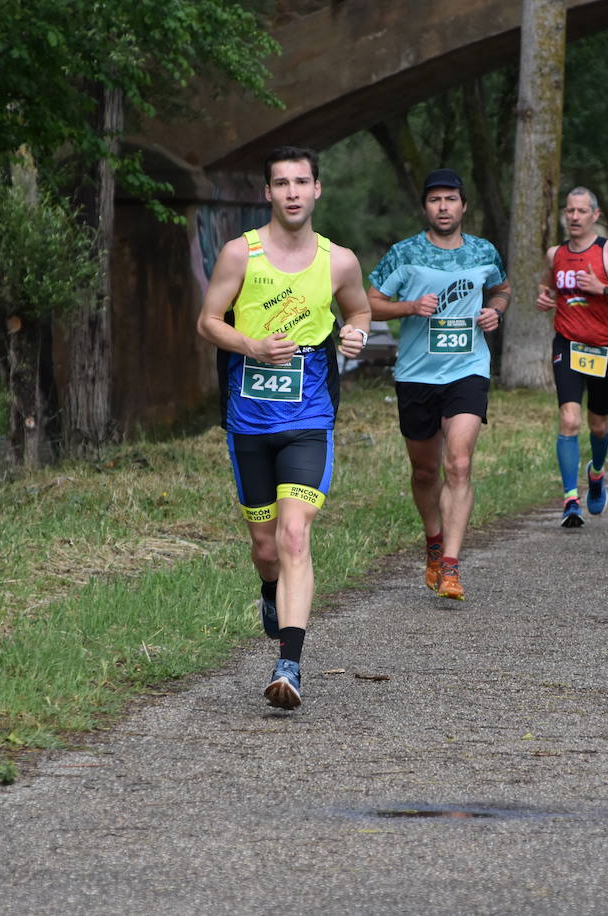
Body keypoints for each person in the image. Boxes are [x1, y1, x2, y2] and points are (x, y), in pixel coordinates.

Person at [197, 146, 371, 710]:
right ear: (267, 193)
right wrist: (251, 344)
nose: (292, 192)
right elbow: (207, 321)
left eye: (302, 182)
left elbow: (360, 310)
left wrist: (356, 335)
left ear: (318, 190)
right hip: (247, 422)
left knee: (296, 534)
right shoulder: (238, 255)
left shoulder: (339, 261)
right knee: (265, 546)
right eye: (281, 183)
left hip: (308, 420)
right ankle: (269, 588)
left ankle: (289, 665)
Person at [368, 168, 510, 600]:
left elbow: (501, 289)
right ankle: (433, 541)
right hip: (415, 374)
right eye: (435, 200)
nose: (443, 207)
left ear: (464, 206)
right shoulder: (403, 253)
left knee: (459, 464)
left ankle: (450, 566)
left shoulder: (483, 251)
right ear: (425, 207)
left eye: (451, 199)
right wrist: (410, 306)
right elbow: (369, 303)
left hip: (468, 369)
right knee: (425, 470)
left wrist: (495, 312)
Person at [533, 187, 608, 527]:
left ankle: (596, 472)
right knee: (569, 419)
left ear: (595, 215)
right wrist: (545, 297)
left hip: (604, 348)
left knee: (598, 424)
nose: (575, 217)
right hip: (567, 344)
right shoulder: (556, 253)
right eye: (570, 211)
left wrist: (603, 289)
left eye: (581, 211)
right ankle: (570, 501)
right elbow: (547, 285)